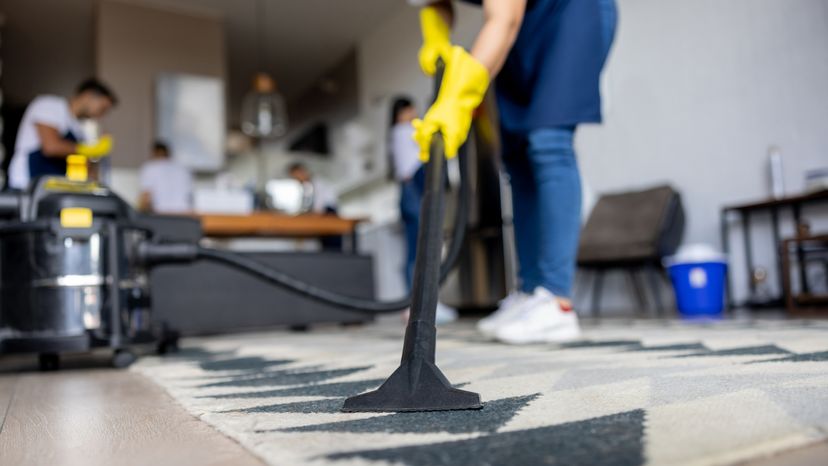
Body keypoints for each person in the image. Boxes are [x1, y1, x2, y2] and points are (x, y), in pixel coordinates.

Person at [409, 0, 617, 343]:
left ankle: (556, 300)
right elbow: (435, 4)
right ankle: (531, 292)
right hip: (521, 29)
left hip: (570, 13)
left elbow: (504, 17)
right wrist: (436, 37)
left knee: (548, 142)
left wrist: (459, 98)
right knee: (517, 160)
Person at [389, 96, 459, 325]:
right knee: (422, 249)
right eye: (410, 109)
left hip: (408, 194)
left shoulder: (396, 133)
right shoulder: (404, 131)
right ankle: (421, 306)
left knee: (415, 251)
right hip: (414, 193)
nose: (414, 113)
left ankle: (417, 305)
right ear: (402, 112)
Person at [8, 78, 117, 190]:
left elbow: (84, 165)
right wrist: (88, 150)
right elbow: (51, 147)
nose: (100, 115)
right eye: (102, 108)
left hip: (51, 186)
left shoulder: (78, 129)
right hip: (25, 184)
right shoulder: (50, 105)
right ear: (88, 95)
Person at [139, 141, 193, 214]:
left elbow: (146, 197)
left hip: (162, 215)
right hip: (184, 214)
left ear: (154, 152)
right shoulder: (183, 169)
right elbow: (190, 196)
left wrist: (140, 215)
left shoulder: (150, 168)